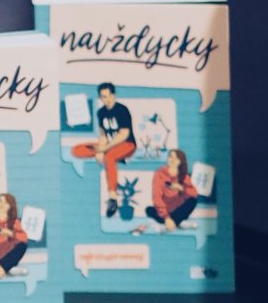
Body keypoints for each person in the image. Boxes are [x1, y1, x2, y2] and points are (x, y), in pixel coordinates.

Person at [68, 81, 136, 215]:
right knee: (76, 149)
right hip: (109, 146)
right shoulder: (101, 112)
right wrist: (100, 148)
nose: (107, 99)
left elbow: (124, 134)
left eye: (109, 96)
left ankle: (113, 198)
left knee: (109, 157)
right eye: (104, 97)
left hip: (127, 144)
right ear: (100, 98)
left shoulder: (122, 110)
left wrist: (105, 149)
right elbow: (103, 135)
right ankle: (108, 154)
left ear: (114, 95)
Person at [146, 147, 199, 231]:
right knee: (149, 210)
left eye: (176, 158)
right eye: (170, 156)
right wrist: (166, 217)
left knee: (192, 201)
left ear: (180, 161)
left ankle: (170, 224)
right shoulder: (160, 174)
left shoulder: (184, 176)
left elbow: (194, 193)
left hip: (178, 210)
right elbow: (157, 197)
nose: (172, 160)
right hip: (165, 210)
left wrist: (181, 188)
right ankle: (176, 222)